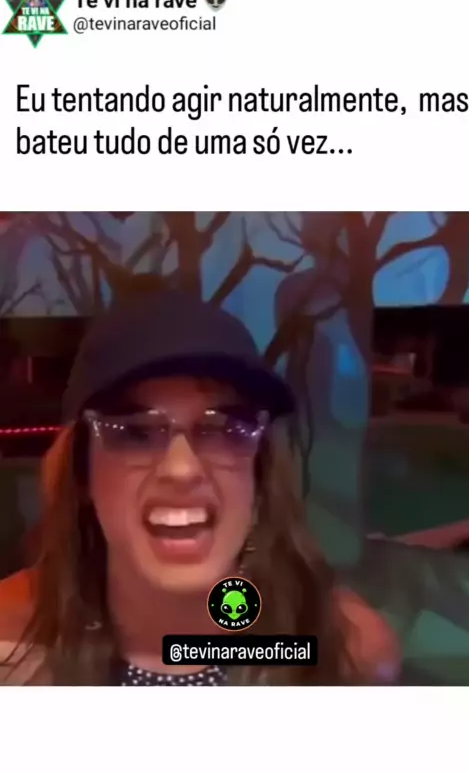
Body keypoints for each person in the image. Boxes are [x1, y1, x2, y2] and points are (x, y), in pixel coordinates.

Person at [0, 289, 399, 685]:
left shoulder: (342, 650)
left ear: (259, 474)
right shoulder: (13, 650)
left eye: (224, 429)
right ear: (82, 473)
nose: (182, 469)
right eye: (135, 433)